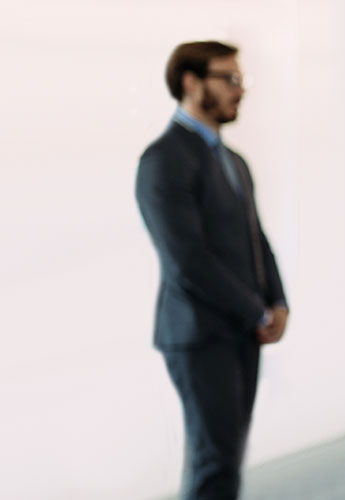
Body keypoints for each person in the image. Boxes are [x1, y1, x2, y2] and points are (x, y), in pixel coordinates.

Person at [133, 40, 288, 500]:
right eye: (229, 79)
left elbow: (256, 239)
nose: (240, 90)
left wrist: (278, 301)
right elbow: (187, 260)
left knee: (227, 459)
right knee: (214, 463)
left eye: (242, 80)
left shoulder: (233, 161)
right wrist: (256, 312)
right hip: (199, 334)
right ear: (191, 82)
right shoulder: (164, 159)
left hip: (241, 330)